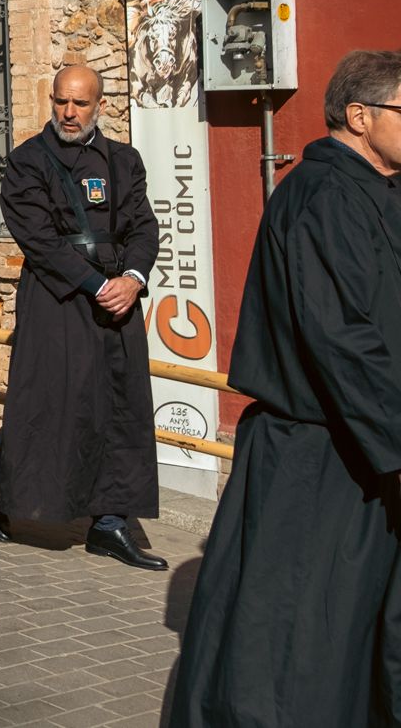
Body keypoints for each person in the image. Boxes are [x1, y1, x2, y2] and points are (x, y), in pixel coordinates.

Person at [168, 50, 401, 728]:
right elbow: (343, 339)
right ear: (360, 116)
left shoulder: (377, 189)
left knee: (356, 623)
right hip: (320, 452)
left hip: (367, 444)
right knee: (301, 631)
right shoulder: (322, 196)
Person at [0, 65, 165, 569]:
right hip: (59, 296)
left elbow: (144, 227)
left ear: (99, 105)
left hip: (118, 297)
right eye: (61, 101)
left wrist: (132, 279)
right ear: (51, 100)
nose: (69, 112)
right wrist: (96, 284)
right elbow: (37, 238)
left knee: (120, 404)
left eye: (80, 104)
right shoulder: (27, 162)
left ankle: (109, 522)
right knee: (48, 400)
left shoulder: (124, 161)